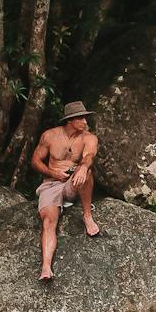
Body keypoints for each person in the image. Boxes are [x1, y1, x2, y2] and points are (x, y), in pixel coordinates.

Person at [30, 100, 102, 281]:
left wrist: (83, 168)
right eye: (81, 118)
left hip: (73, 184)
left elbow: (89, 156)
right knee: (48, 221)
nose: (85, 122)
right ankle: (46, 268)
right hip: (51, 184)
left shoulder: (89, 138)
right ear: (70, 120)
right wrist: (52, 172)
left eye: (85, 118)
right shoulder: (50, 136)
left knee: (87, 172)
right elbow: (35, 161)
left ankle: (87, 215)